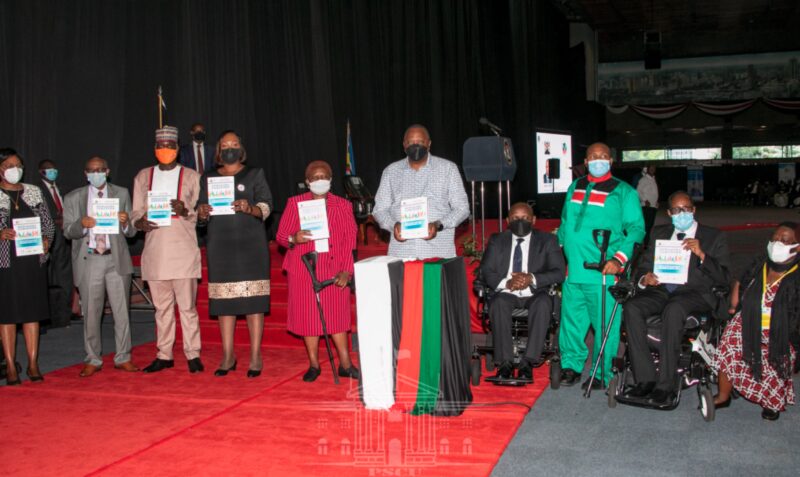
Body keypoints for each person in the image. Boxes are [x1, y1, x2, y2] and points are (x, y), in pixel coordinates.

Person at [623, 191, 730, 403]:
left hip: (695, 294)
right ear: (670, 213)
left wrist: (703, 256)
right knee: (631, 308)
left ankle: (666, 385)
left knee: (674, 309)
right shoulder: (659, 233)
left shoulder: (713, 236)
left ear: (694, 210)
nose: (682, 214)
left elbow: (725, 278)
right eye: (677, 210)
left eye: (687, 209)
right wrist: (645, 278)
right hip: (662, 290)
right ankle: (645, 380)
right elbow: (643, 265)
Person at [557, 142, 645, 389]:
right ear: (585, 162)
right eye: (593, 157)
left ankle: (602, 372)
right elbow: (565, 224)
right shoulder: (575, 186)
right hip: (573, 271)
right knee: (572, 322)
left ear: (611, 161)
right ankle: (571, 366)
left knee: (605, 325)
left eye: (604, 156)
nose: (598, 160)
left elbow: (636, 229)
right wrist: (559, 254)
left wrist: (618, 259)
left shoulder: (623, 192)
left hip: (603, 273)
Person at [197, 130, 272, 377]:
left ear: (241, 148)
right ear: (218, 150)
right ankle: (228, 355)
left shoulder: (254, 174)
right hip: (220, 245)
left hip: (251, 245)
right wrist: (202, 212)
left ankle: (255, 355)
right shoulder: (207, 177)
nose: (230, 148)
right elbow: (200, 213)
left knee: (254, 303)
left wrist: (250, 208)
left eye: (234, 144)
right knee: (224, 303)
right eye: (225, 144)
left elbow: (267, 205)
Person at [276, 160, 359, 382]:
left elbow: (349, 241)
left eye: (323, 176)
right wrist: (294, 238)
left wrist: (346, 272)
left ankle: (345, 364)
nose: (319, 180)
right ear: (307, 182)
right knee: (308, 317)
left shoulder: (343, 205)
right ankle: (314, 364)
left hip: (334, 267)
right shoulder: (295, 203)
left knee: (337, 317)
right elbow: (281, 237)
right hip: (304, 268)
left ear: (330, 180)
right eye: (314, 177)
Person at [131, 126, 203, 374]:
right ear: (155, 149)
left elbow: (199, 214)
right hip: (155, 251)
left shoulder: (192, 176)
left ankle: (193, 353)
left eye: (170, 146)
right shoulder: (143, 176)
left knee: (187, 308)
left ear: (177, 149)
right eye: (161, 146)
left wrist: (185, 210)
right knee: (161, 309)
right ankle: (164, 354)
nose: (165, 150)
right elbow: (136, 212)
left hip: (183, 249)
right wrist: (138, 223)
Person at [713, 222, 800, 420]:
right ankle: (723, 396)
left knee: (775, 356)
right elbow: (740, 281)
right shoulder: (760, 264)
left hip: (781, 329)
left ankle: (771, 402)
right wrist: (734, 303)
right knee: (728, 347)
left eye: (785, 240)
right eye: (775, 239)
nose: (777, 243)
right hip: (749, 320)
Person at [63, 156, 137, 377]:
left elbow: (132, 231)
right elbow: (67, 231)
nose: (96, 173)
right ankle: (93, 358)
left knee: (122, 311)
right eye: (91, 170)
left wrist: (125, 223)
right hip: (90, 259)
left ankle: (123, 356)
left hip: (116, 259)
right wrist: (81, 225)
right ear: (85, 173)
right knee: (92, 313)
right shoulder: (73, 197)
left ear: (107, 171)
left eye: (100, 170)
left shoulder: (122, 193)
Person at [479, 202, 565, 382]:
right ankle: (505, 364)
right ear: (508, 220)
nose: (521, 221)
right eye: (516, 218)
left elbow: (558, 272)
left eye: (525, 218)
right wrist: (507, 282)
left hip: (535, 292)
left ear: (533, 220)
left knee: (543, 304)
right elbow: (486, 271)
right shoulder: (497, 240)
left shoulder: (547, 240)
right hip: (506, 292)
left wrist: (531, 278)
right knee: (498, 303)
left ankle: (528, 362)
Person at [373, 124, 469, 260]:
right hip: (401, 255)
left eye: (421, 142)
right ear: (404, 145)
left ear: (429, 144)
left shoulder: (448, 169)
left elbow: (462, 208)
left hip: (438, 253)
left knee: (436, 282)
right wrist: (393, 225)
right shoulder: (391, 172)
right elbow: (379, 210)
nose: (416, 145)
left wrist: (438, 225)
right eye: (411, 142)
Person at [0, 148, 55, 384]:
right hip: (6, 263)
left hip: (32, 260)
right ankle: (11, 365)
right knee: (8, 314)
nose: (16, 169)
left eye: (19, 164)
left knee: (31, 313)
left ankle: (33, 363)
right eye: (10, 165)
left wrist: (46, 241)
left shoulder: (33, 191)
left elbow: (49, 224)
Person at [38, 159, 74, 329]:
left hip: (63, 234)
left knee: (64, 274)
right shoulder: (37, 190)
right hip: (47, 234)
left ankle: (63, 315)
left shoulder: (59, 188)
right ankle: (47, 316)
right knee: (48, 275)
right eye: (48, 169)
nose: (52, 171)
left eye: (54, 169)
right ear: (41, 172)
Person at [637, 165, 658, 248]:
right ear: (647, 169)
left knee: (650, 225)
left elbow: (653, 192)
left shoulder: (653, 179)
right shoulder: (643, 180)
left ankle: (647, 242)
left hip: (653, 206)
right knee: (647, 226)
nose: (653, 170)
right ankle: (645, 244)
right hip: (646, 206)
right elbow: (638, 191)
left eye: (654, 168)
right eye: (651, 168)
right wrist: (644, 200)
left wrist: (656, 202)